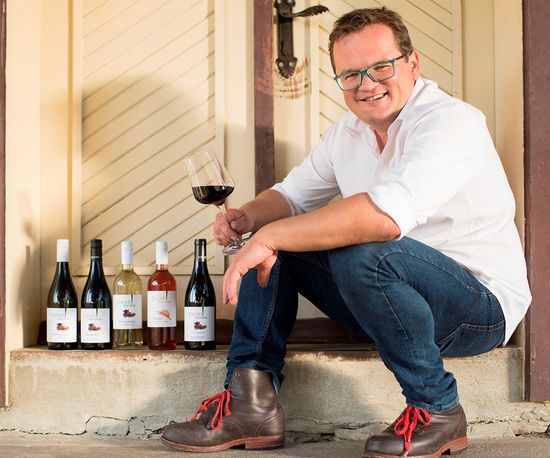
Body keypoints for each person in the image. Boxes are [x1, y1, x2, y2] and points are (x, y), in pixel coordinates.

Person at [161, 7, 531, 457]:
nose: (366, 84)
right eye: (351, 74)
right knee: (279, 242)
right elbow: (291, 196)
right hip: (390, 302)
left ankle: (437, 410)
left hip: (476, 308)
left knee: (359, 251)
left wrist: (269, 237)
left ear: (412, 63)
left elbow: (384, 219)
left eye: (381, 67)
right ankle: (250, 402)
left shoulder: (450, 122)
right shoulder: (347, 133)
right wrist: (251, 219)